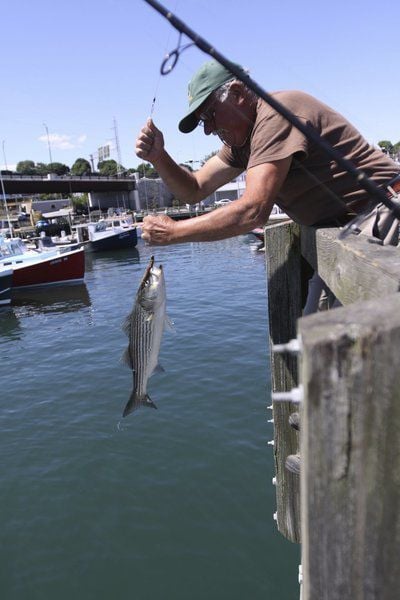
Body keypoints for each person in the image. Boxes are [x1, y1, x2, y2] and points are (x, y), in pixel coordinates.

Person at [135, 59, 400, 247]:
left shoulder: (276, 113)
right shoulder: (243, 142)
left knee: (343, 326)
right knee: (313, 327)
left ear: (237, 93)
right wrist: (159, 156)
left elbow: (254, 210)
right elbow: (194, 188)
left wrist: (173, 232)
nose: (208, 130)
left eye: (209, 115)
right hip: (350, 227)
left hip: (384, 214)